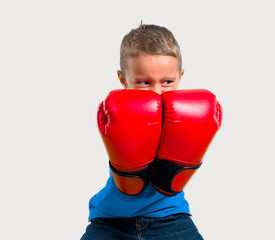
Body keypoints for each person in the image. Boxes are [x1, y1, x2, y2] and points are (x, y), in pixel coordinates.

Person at [81, 23, 221, 240]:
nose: (157, 91)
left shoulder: (191, 115)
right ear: (122, 80)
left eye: (167, 82)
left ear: (180, 76)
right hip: (111, 219)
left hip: (171, 216)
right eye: (144, 82)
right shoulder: (120, 112)